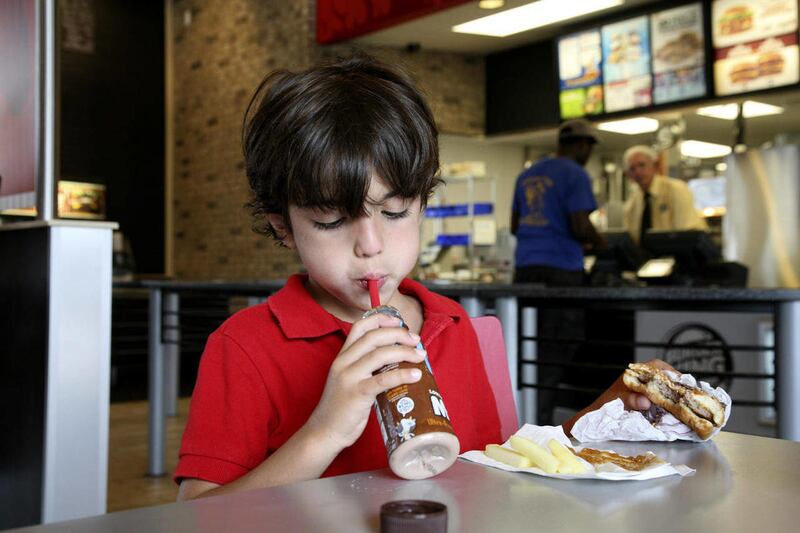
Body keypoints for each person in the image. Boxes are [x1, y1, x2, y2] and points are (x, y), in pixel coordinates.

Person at [174, 56, 663, 500]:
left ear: (423, 203)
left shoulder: (451, 324)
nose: (370, 244)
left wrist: (604, 417)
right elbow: (192, 519)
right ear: (284, 226)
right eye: (331, 221)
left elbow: (495, 471)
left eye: (395, 211)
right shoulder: (244, 347)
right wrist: (324, 433)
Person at [510, 119, 606, 425]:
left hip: (525, 271)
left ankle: (523, 418)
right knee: (557, 351)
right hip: (561, 273)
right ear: (581, 146)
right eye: (589, 148)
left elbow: (515, 226)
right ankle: (540, 425)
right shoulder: (575, 173)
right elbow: (580, 225)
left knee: (529, 350)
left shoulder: (526, 175)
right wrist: (603, 244)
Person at [622, 145, 707, 245]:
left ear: (655, 166)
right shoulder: (632, 202)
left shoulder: (676, 189)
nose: (637, 172)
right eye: (632, 168)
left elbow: (685, 233)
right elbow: (632, 238)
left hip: (684, 252)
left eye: (642, 165)